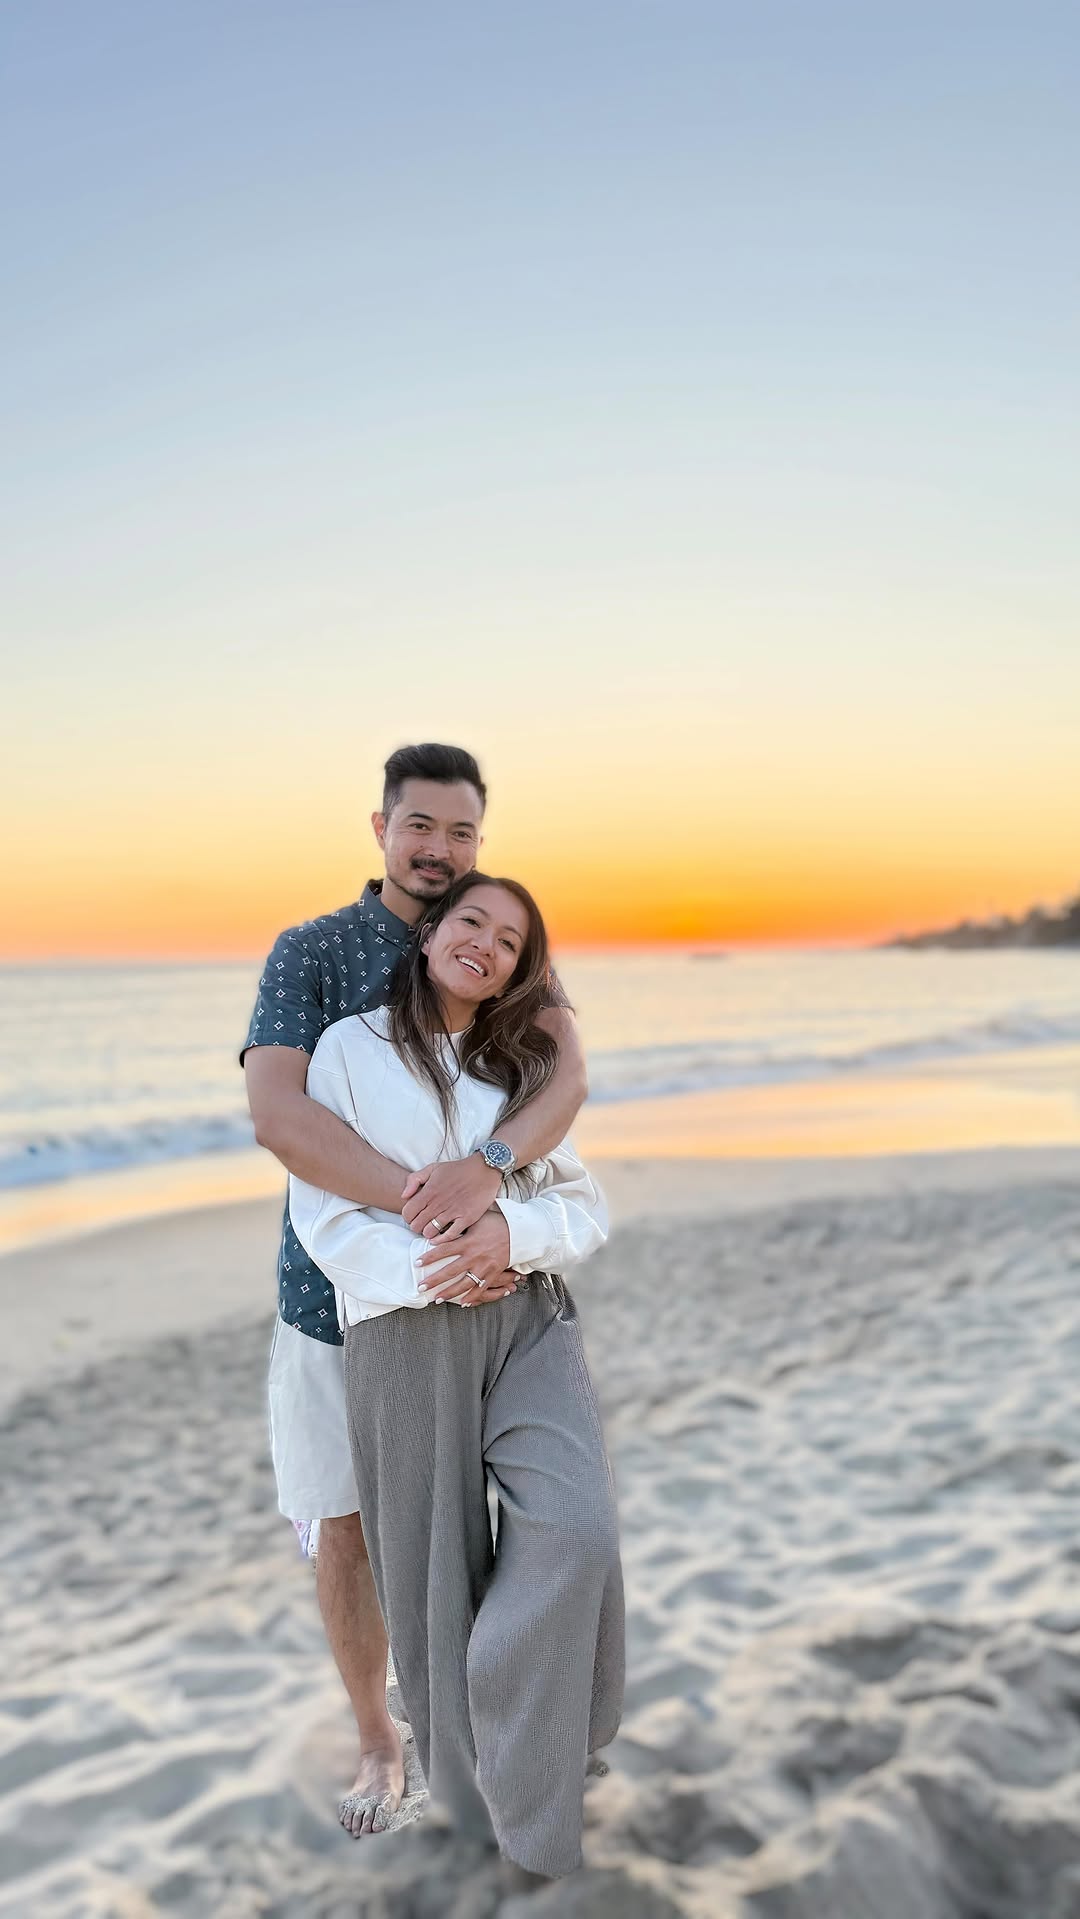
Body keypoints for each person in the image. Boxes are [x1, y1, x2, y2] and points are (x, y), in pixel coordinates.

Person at [241, 744, 588, 1835]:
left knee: (484, 1516)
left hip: (483, 1293)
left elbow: (566, 1077)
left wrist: (490, 1176)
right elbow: (280, 1117)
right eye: (420, 825)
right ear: (381, 826)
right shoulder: (312, 951)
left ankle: (494, 1714)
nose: (439, 848)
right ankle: (378, 1737)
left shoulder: (497, 940)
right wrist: (427, 1202)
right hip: (332, 1296)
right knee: (344, 1517)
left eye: (461, 830)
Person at [288, 872, 624, 1883]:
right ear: (431, 930)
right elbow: (326, 1214)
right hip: (403, 1331)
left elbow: (583, 1204)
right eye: (473, 920)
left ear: (519, 972)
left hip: (527, 1317)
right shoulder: (348, 1050)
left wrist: (507, 1236)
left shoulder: (523, 1066)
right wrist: (440, 1268)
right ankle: (513, 1829)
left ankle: (528, 1719)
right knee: (433, 1587)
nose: (487, 942)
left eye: (512, 941)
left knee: (577, 1529)